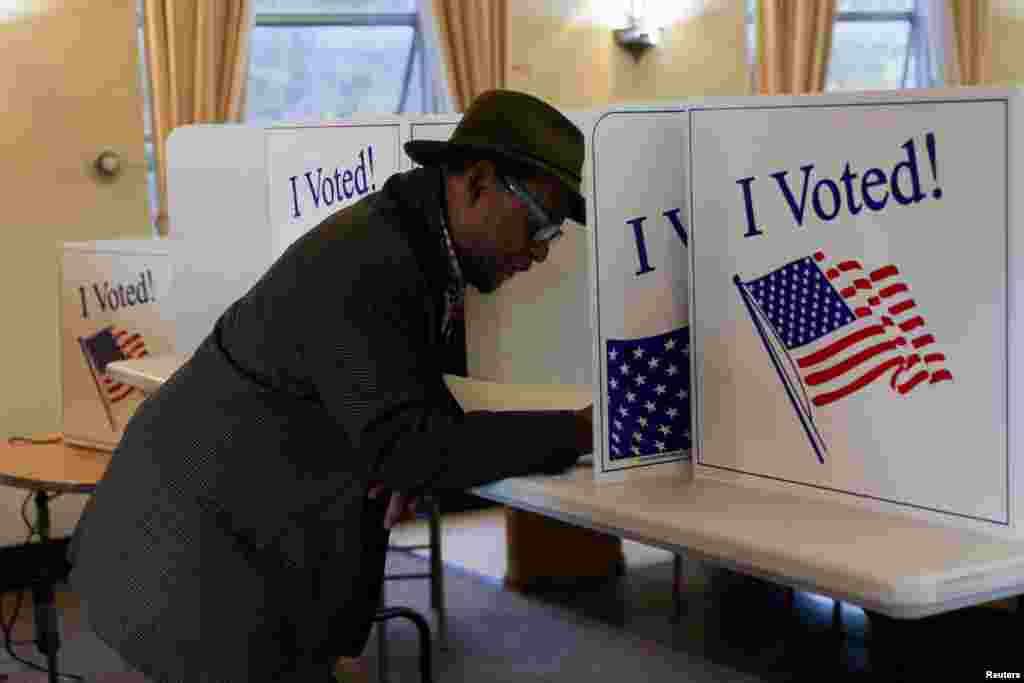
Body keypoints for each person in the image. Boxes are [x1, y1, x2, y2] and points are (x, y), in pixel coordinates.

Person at [66, 89, 595, 682]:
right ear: (476, 182)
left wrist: (413, 447)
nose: (541, 252)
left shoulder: (414, 245)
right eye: (539, 222)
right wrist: (576, 430)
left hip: (221, 538)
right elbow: (407, 448)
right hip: (196, 561)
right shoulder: (374, 262)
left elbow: (404, 408)